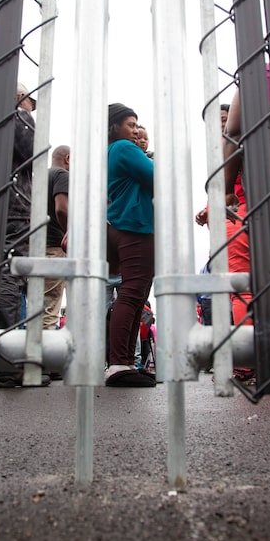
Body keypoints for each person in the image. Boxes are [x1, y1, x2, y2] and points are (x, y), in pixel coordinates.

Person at [0, 84, 50, 388]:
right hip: (15, 208)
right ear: (19, 97)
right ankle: (11, 363)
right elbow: (36, 153)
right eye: (31, 101)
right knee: (12, 277)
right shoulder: (17, 114)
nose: (33, 108)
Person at [194, 98, 254, 383]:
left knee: (239, 288)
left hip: (236, 216)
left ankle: (246, 361)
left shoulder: (228, 143)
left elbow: (227, 190)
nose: (219, 125)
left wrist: (213, 207)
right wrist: (208, 209)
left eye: (223, 119)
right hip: (250, 211)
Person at [105, 103, 156, 387]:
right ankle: (119, 364)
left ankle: (126, 362)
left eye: (138, 125)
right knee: (131, 293)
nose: (135, 130)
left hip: (128, 223)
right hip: (133, 224)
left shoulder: (113, 151)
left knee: (135, 295)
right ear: (115, 126)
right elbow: (159, 177)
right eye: (130, 125)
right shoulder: (123, 149)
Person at [44, 146, 70, 330]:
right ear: (68, 159)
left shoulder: (40, 176)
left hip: (40, 245)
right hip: (56, 246)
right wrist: (70, 232)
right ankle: (42, 356)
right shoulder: (61, 175)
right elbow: (61, 208)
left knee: (41, 305)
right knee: (50, 307)